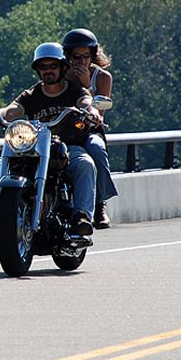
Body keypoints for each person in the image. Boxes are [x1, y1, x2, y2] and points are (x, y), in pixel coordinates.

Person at [0, 42, 98, 237]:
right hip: (33, 149)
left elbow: (86, 101)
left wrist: (90, 111)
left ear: (62, 67)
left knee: (85, 164)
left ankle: (82, 216)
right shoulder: (32, 94)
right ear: (37, 70)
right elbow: (11, 110)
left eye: (53, 66)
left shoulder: (75, 91)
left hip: (67, 147)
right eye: (43, 67)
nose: (48, 71)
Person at [62, 28, 118, 229]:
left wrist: (86, 85)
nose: (81, 61)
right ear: (68, 56)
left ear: (93, 55)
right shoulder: (62, 75)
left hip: (90, 130)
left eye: (86, 56)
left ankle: (99, 204)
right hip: (66, 130)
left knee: (96, 149)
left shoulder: (102, 77)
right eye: (76, 57)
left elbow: (99, 116)